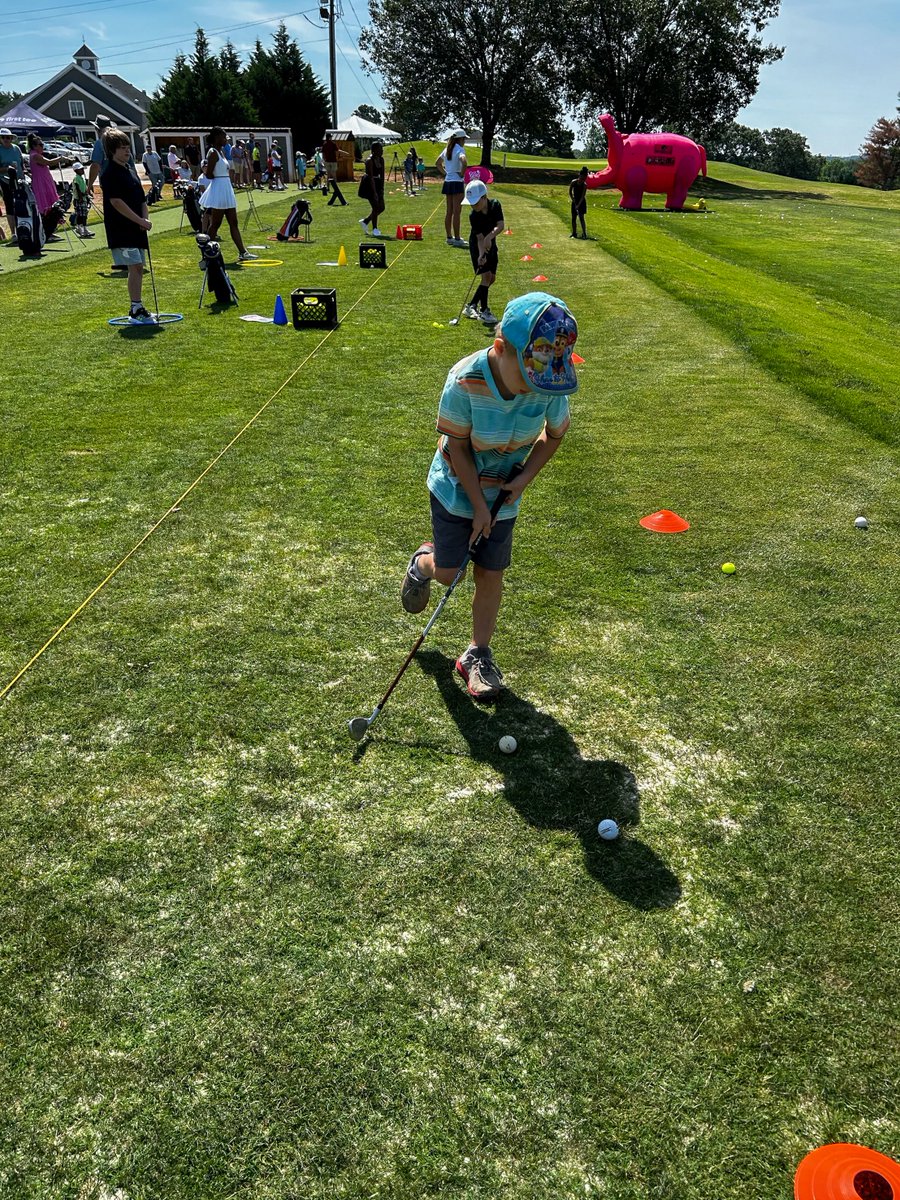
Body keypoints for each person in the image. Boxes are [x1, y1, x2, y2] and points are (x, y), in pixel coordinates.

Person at [399, 291, 578, 701]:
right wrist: (478, 506)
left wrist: (525, 478)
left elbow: (555, 435)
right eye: (529, 375)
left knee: (490, 573)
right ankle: (424, 564)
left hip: (504, 494)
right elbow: (457, 446)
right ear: (501, 348)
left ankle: (477, 654)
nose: (537, 387)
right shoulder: (465, 379)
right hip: (456, 486)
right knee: (451, 573)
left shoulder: (546, 383)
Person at [99, 128, 154, 323]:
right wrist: (139, 220)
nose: (127, 151)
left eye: (127, 147)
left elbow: (141, 198)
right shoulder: (109, 173)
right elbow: (116, 202)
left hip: (137, 227)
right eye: (122, 148)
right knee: (136, 266)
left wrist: (144, 219)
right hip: (122, 228)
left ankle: (137, 306)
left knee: (138, 266)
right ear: (112, 151)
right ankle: (135, 307)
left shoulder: (129, 170)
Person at [198, 126, 257, 262]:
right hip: (219, 188)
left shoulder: (221, 152)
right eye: (223, 137)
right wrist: (220, 180)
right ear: (217, 137)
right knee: (216, 223)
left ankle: (243, 252)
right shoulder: (213, 152)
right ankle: (207, 252)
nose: (225, 139)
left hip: (225, 187)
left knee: (233, 222)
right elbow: (209, 174)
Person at [462, 178, 503, 325]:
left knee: (491, 278)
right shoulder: (473, 216)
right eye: (471, 202)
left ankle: (471, 305)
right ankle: (484, 310)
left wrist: (490, 237)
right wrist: (481, 254)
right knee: (486, 277)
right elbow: (479, 238)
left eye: (475, 202)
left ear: (484, 197)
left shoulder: (495, 205)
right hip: (477, 245)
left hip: (491, 244)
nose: (473, 205)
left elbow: (501, 225)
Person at [27, 135, 69, 237]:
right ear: (34, 146)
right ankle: (46, 231)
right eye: (40, 145)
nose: (42, 147)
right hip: (41, 184)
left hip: (45, 182)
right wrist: (60, 158)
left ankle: (49, 230)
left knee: (51, 204)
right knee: (45, 205)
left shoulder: (36, 154)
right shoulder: (35, 155)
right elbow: (49, 162)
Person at [436, 129, 468, 246]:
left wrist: (446, 173)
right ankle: (458, 239)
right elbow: (464, 162)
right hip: (457, 182)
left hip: (448, 182)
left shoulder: (447, 149)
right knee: (457, 212)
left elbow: (437, 163)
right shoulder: (459, 149)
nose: (464, 141)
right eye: (464, 139)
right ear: (460, 139)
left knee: (449, 211)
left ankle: (449, 237)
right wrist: (462, 173)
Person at [0, 127, 25, 245]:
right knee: (10, 206)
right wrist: (7, 168)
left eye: (8, 137)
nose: (6, 139)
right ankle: (13, 233)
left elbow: (21, 164)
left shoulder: (16, 149)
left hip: (19, 181)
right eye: (3, 137)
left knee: (21, 205)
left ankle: (23, 229)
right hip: (5, 181)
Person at [357, 139, 385, 237]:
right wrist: (374, 193)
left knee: (382, 207)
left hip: (377, 183)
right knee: (375, 206)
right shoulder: (369, 161)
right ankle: (375, 229)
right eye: (380, 149)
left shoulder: (381, 159)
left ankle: (365, 221)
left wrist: (381, 189)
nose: (382, 151)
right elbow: (371, 177)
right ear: (374, 150)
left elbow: (382, 175)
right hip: (369, 184)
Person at [322, 133, 347, 205]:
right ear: (330, 137)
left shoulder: (324, 144)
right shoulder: (333, 144)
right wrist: (345, 153)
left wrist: (324, 160)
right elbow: (338, 151)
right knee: (334, 175)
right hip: (333, 161)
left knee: (328, 175)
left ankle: (328, 187)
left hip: (327, 161)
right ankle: (335, 189)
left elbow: (323, 153)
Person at [71, 162, 94, 237]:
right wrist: (81, 197)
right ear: (76, 171)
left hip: (83, 199)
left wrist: (88, 193)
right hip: (79, 200)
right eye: (80, 169)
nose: (82, 170)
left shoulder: (82, 178)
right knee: (81, 215)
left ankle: (83, 228)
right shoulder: (76, 178)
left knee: (84, 215)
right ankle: (82, 229)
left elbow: (85, 187)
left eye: (82, 169)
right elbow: (77, 189)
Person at [569, 166, 589, 238]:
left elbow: (582, 196)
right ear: (579, 175)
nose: (583, 180)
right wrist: (572, 199)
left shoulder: (584, 185)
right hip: (574, 201)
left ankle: (584, 234)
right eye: (582, 178)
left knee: (581, 218)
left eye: (584, 178)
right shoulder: (573, 182)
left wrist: (578, 205)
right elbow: (570, 192)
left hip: (581, 202)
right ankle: (574, 233)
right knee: (573, 218)